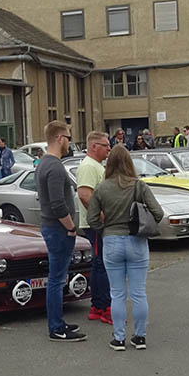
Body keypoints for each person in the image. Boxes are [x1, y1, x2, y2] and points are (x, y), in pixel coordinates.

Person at [89, 145, 164, 351]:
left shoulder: (102, 188)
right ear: (129, 163)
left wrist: (104, 230)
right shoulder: (139, 186)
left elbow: (91, 218)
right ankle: (140, 337)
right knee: (139, 292)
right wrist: (142, 223)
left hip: (112, 241)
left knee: (117, 293)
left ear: (109, 163)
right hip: (136, 241)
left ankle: (119, 338)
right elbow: (158, 213)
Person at [35, 120, 84, 342]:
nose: (70, 143)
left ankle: (58, 322)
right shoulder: (53, 166)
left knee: (57, 278)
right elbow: (57, 204)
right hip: (58, 229)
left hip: (52, 228)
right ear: (60, 138)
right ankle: (56, 327)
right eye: (69, 138)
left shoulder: (44, 163)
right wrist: (71, 227)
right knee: (56, 279)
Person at [76, 132, 113, 326]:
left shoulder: (96, 166)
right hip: (96, 225)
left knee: (100, 264)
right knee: (102, 265)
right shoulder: (89, 166)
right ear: (94, 147)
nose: (109, 148)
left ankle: (98, 306)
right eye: (105, 145)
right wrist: (102, 218)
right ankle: (103, 307)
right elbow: (84, 195)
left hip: (97, 224)